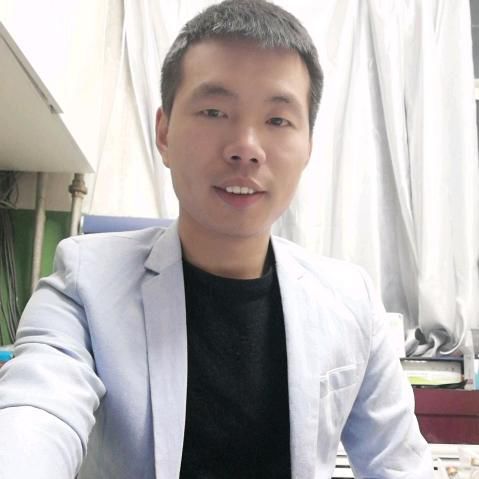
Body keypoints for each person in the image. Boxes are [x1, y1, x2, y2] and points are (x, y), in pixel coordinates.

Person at [0, 1, 434, 478]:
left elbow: (399, 463)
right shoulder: (85, 285)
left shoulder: (350, 302)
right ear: (164, 133)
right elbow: (36, 411)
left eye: (277, 120)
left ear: (308, 145)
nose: (246, 147)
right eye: (214, 111)